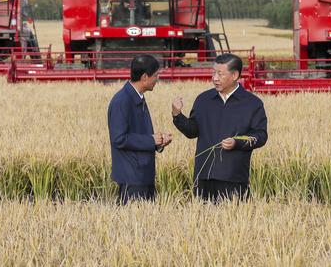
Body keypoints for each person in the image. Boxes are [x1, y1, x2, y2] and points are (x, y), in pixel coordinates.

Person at [172, 53, 268, 202]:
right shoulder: (203, 100)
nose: (214, 78)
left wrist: (237, 142)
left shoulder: (252, 103)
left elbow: (261, 136)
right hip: (204, 176)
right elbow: (192, 131)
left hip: (233, 177)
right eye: (213, 72)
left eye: (220, 74)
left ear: (235, 75)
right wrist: (177, 115)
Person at [108, 54, 172, 204]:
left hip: (142, 174)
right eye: (155, 75)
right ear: (144, 77)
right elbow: (119, 139)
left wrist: (158, 142)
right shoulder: (122, 101)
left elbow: (137, 135)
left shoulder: (137, 97)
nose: (157, 79)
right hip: (132, 177)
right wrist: (151, 140)